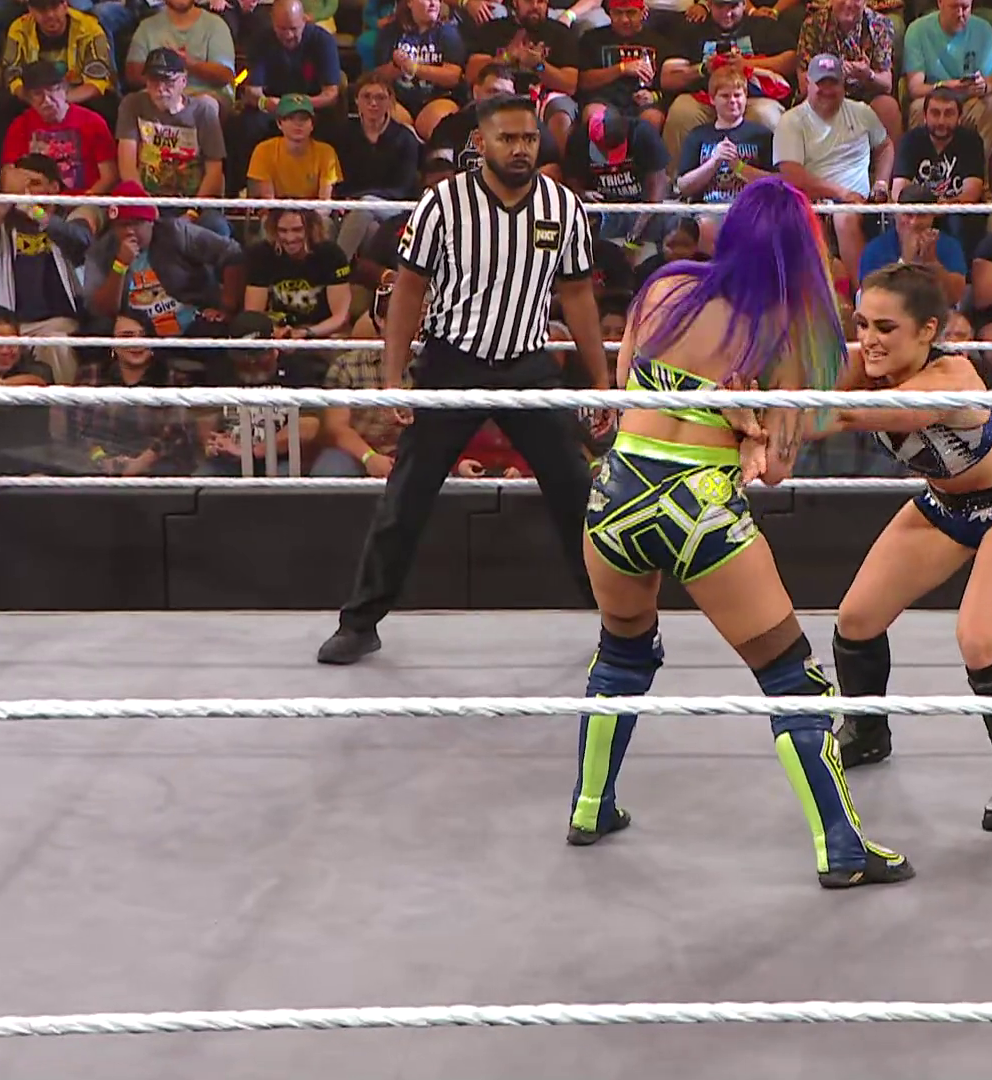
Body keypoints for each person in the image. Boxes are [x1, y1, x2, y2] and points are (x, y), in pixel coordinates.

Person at [567, 176, 912, 889]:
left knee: (622, 653)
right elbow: (777, 471)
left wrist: (719, 414)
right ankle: (842, 849)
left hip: (615, 497)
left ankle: (590, 805)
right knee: (792, 679)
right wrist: (749, 431)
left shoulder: (664, 288)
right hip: (697, 508)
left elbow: (629, 390)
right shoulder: (780, 335)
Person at [318, 94, 611, 665]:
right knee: (406, 496)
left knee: (576, 493)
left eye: (529, 139)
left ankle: (620, 625)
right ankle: (360, 622)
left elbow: (578, 295)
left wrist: (600, 380)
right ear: (481, 143)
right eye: (508, 138)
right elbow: (409, 289)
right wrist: (394, 375)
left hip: (528, 365)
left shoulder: (561, 206)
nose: (521, 149)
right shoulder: (443, 204)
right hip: (452, 362)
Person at [824, 261, 992, 833]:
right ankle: (867, 731)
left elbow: (843, 414)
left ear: (928, 330)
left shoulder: (952, 377)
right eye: (862, 324)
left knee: (980, 640)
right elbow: (808, 412)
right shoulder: (863, 364)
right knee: (856, 620)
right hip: (945, 507)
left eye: (886, 328)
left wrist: (772, 412)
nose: (869, 340)